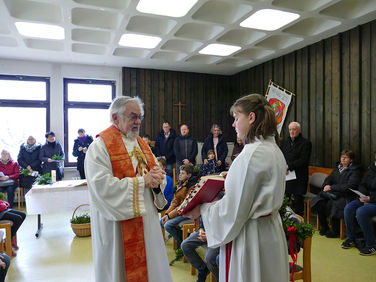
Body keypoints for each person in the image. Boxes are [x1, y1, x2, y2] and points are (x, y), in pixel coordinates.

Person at [186, 94, 289, 282]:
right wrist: (232, 179)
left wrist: (202, 209)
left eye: (236, 118)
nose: (233, 124)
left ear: (251, 118)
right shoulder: (272, 149)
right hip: (270, 231)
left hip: (251, 237)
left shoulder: (250, 156)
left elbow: (232, 211)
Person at [84, 96, 172, 282]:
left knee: (151, 267)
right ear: (116, 118)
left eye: (140, 116)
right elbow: (102, 187)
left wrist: (158, 180)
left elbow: (154, 174)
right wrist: (143, 182)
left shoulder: (141, 144)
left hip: (147, 221)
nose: (138, 121)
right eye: (133, 117)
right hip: (117, 227)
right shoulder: (99, 147)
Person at [311, 149, 362, 238]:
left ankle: (336, 230)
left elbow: (350, 186)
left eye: (346, 158)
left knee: (334, 204)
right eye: (342, 157)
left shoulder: (355, 170)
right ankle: (324, 226)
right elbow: (328, 179)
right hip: (333, 193)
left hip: (347, 195)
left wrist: (332, 187)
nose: (343, 159)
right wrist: (326, 185)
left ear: (351, 160)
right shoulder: (337, 168)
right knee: (320, 201)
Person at [342, 152, 376, 255]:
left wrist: (370, 198)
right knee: (349, 207)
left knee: (361, 211)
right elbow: (362, 184)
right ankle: (351, 238)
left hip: (374, 201)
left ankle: (371, 245)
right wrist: (363, 195)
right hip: (366, 198)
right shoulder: (372, 168)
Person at [160, 164, 196, 249]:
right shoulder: (181, 183)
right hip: (179, 211)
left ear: (189, 175)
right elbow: (175, 202)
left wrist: (169, 216)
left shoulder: (192, 186)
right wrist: (167, 214)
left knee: (167, 225)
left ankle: (185, 243)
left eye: (183, 173)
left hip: (187, 212)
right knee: (161, 222)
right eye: (180, 173)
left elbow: (184, 205)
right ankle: (186, 238)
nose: (180, 174)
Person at [280, 122, 312, 216]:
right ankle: (285, 221)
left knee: (298, 201)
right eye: (290, 129)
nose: (291, 131)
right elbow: (281, 156)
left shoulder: (305, 143)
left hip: (299, 177)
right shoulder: (284, 142)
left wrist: (288, 166)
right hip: (287, 176)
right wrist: (283, 166)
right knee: (285, 199)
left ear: (299, 130)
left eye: (294, 129)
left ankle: (299, 224)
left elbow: (303, 160)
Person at [181, 217, 220, 282]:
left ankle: (219, 279)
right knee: (185, 245)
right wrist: (201, 231)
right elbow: (202, 220)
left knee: (209, 258)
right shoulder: (204, 206)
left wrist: (209, 236)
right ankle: (203, 269)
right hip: (205, 232)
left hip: (218, 236)